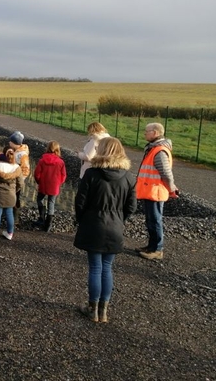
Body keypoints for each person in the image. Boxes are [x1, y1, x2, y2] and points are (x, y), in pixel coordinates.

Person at [74, 137, 137, 323]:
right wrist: (120, 220)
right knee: (107, 267)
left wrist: (82, 220)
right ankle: (103, 311)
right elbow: (131, 207)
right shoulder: (129, 177)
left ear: (101, 151)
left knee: (95, 267)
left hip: (93, 224)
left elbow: (80, 202)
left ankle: (92, 309)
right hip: (115, 226)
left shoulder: (91, 174)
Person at [135, 123, 178, 260]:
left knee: (155, 221)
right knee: (151, 220)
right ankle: (151, 247)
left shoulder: (159, 151)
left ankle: (157, 250)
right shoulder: (154, 149)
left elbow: (165, 173)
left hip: (155, 192)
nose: (144, 134)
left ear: (155, 133)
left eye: (146, 131)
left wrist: (172, 189)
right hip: (150, 191)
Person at [0, 148, 24, 241]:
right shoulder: (16, 168)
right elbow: (21, 183)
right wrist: (15, 190)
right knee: (9, 212)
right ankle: (10, 233)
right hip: (11, 194)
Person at [33, 141, 67, 232]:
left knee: (40, 199)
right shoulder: (61, 162)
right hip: (54, 186)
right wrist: (58, 183)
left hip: (43, 184)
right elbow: (63, 175)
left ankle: (41, 218)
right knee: (51, 203)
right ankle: (48, 225)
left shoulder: (42, 160)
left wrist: (39, 181)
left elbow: (36, 174)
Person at [8, 131, 30, 226]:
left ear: (15, 143)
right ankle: (12, 215)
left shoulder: (22, 155)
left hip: (17, 180)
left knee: (16, 197)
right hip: (14, 178)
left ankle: (15, 218)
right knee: (13, 196)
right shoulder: (16, 151)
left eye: (11, 141)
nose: (9, 143)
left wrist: (20, 180)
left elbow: (25, 169)